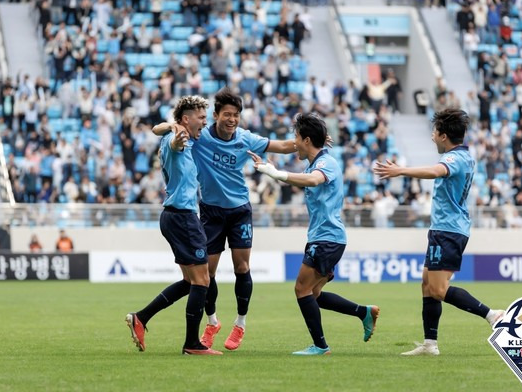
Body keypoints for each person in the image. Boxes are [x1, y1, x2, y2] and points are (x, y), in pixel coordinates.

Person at [152, 88, 301, 351]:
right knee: (206, 273)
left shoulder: (245, 138)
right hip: (210, 211)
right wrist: (171, 126)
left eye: (237, 115)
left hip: (239, 210)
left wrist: (312, 142)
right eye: (227, 114)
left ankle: (240, 323)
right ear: (216, 115)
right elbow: (165, 132)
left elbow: (283, 146)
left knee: (242, 268)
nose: (232, 120)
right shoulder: (199, 138)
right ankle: (211, 322)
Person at [373, 108, 505, 356]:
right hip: (444, 230)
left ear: (444, 136)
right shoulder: (464, 156)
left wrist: (400, 170)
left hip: (448, 231)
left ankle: (492, 315)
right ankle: (430, 345)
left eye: (434, 133)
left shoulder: (454, 159)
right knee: (427, 283)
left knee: (438, 289)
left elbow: (436, 171)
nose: (432, 137)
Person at [248, 113, 379, 355]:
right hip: (326, 237)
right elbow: (308, 174)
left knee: (301, 289)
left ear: (307, 140)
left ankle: (320, 346)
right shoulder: (317, 160)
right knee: (314, 294)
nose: (293, 143)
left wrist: (277, 173)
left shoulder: (325, 164)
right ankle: (363, 312)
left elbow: (314, 180)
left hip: (327, 238)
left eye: (296, 137)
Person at [126, 95, 222, 356]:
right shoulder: (176, 141)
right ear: (185, 119)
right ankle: (192, 343)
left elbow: (162, 131)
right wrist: (174, 132)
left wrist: (171, 129)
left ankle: (141, 317)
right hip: (183, 217)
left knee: (190, 281)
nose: (205, 121)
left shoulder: (187, 142)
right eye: (201, 118)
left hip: (176, 216)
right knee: (202, 280)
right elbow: (172, 139)